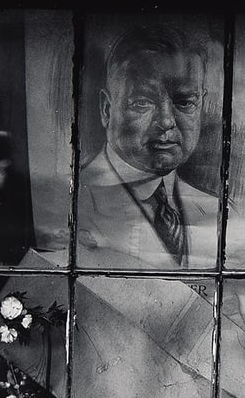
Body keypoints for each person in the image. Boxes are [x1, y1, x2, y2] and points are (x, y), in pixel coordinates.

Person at [76, 23, 222, 270]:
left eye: (184, 102)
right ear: (107, 109)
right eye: (143, 102)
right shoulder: (71, 204)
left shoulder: (220, 212)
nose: (166, 121)